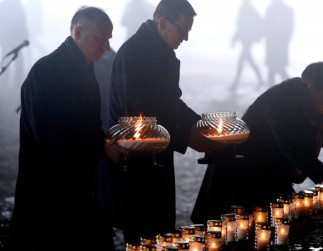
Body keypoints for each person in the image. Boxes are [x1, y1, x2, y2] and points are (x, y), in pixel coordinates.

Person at [6, 6, 129, 250]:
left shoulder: (86, 69)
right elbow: (51, 135)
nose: (105, 47)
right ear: (77, 31)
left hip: (79, 188)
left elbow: (90, 124)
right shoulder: (47, 71)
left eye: (108, 40)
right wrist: (101, 148)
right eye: (99, 39)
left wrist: (107, 142)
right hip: (48, 193)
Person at [192, 61, 323, 223]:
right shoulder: (280, 100)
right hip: (245, 171)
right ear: (312, 87)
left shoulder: (313, 101)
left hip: (272, 171)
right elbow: (291, 147)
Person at [109, 0, 224, 245]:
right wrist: (187, 138)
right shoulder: (134, 54)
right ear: (162, 22)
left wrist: (200, 124)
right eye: (182, 30)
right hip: (137, 162)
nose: (186, 38)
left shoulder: (161, 52)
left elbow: (171, 102)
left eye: (188, 32)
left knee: (160, 230)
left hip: (159, 156)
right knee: (143, 236)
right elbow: (137, 119)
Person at [229, 0, 264, 93]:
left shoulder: (250, 10)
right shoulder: (245, 9)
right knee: (249, 60)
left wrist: (257, 36)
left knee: (242, 61)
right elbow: (240, 26)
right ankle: (261, 80)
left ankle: (235, 84)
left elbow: (259, 23)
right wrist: (235, 38)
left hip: (247, 40)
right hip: (246, 39)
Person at [263, 0, 294, 86]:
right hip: (277, 44)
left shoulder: (271, 10)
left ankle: (291, 86)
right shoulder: (287, 10)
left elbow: (265, 26)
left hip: (276, 44)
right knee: (274, 68)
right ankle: (291, 86)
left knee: (276, 67)